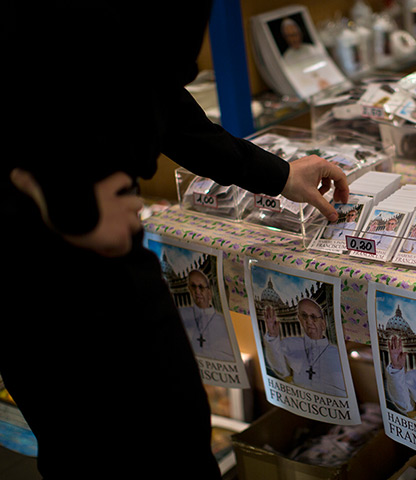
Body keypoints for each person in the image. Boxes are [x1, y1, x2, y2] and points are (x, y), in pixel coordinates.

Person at [2, 3, 349, 479]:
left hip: (93, 234)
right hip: (58, 255)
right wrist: (70, 198)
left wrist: (279, 173)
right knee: (118, 442)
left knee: (169, 430)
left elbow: (153, 91)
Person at [262, 299, 346, 396]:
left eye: (313, 317)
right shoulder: (290, 344)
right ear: (300, 320)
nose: (309, 321)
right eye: (304, 316)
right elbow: (281, 370)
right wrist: (272, 336)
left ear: (323, 324)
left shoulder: (336, 353)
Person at [179, 269, 235, 361]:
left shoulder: (223, 322)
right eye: (193, 286)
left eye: (201, 287)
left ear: (209, 293)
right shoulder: (181, 315)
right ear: (189, 289)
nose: (197, 291)